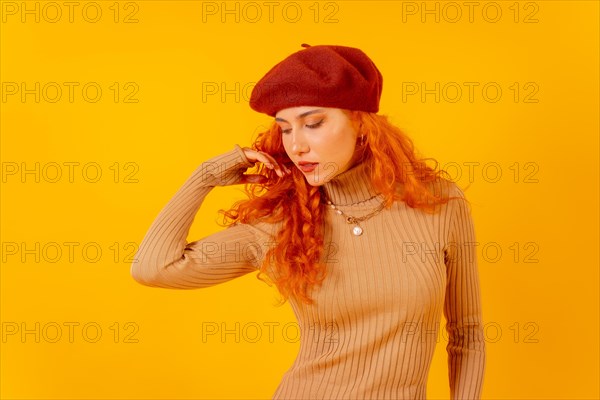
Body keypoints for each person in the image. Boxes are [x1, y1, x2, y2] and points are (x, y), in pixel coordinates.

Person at [131, 43, 486, 399]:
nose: (296, 145)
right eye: (285, 129)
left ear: (362, 124)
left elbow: (466, 333)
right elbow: (153, 268)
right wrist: (204, 177)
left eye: (313, 124)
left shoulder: (438, 203)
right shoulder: (284, 221)